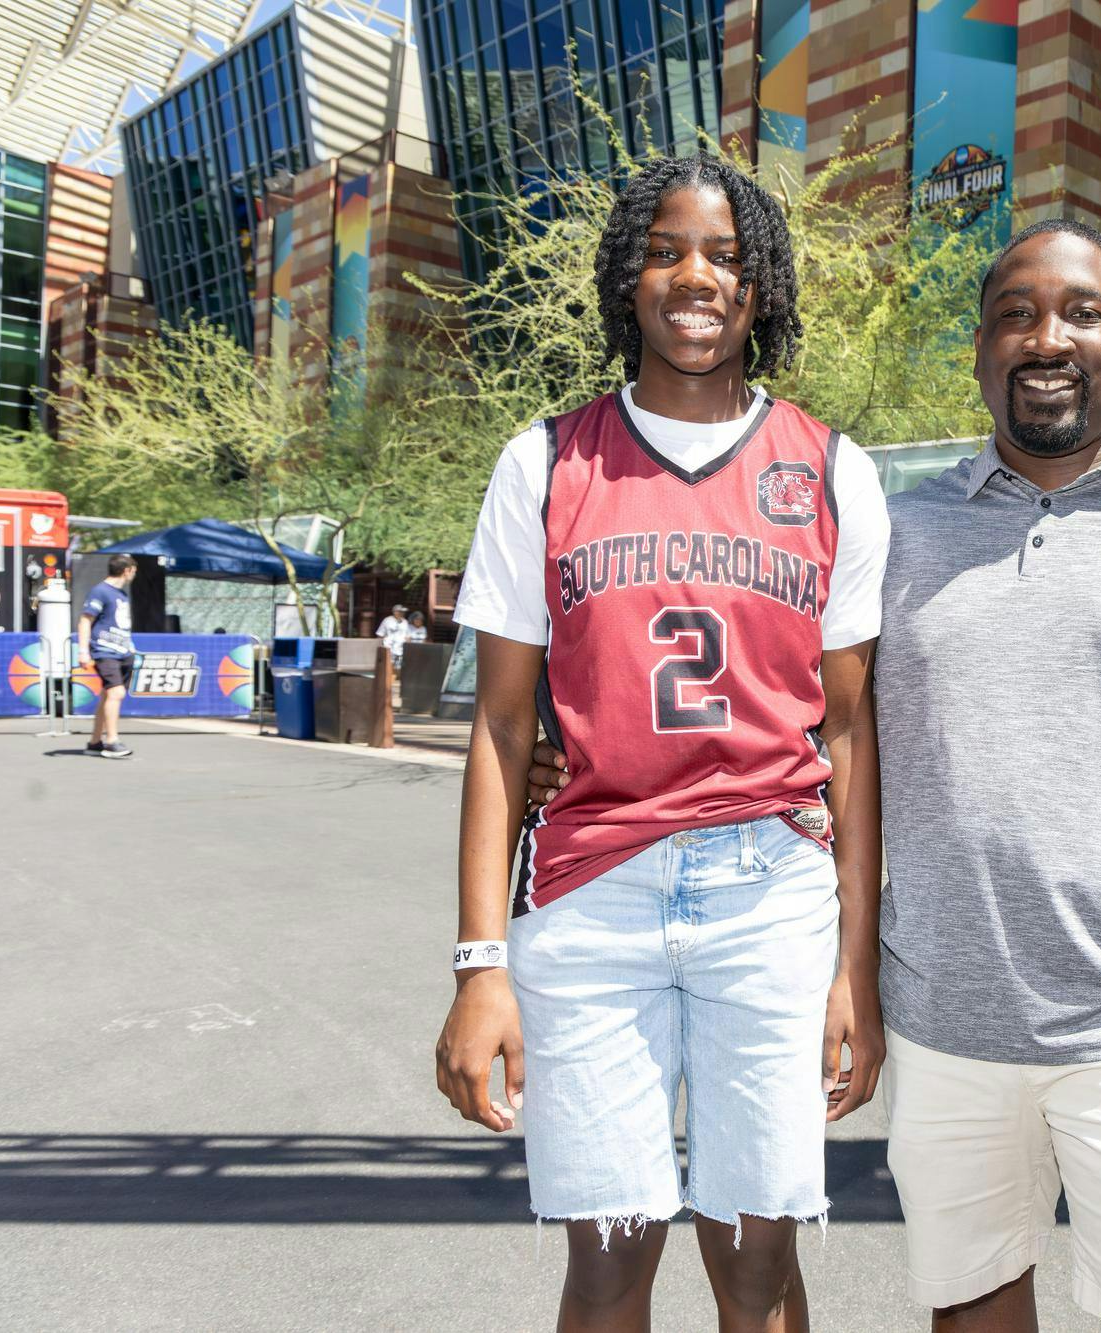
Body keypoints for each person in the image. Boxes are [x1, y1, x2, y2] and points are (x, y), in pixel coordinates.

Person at [530, 218, 1101, 1332]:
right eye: (1014, 315)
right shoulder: (887, 534)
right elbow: (785, 709)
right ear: (979, 352)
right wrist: (575, 745)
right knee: (971, 1316)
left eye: (1082, 313)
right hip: (943, 1030)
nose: (1045, 338)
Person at [435, 152, 890, 1332]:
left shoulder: (833, 469)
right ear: (625, 275)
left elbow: (846, 730)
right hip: (592, 892)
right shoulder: (544, 462)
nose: (697, 277)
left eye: (728, 257)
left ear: (763, 288)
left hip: (769, 891)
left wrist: (854, 964)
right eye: (667, 249)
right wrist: (479, 964)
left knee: (755, 1263)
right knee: (607, 1260)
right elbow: (497, 725)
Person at [78, 554, 138, 760]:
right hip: (104, 651)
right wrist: (83, 651)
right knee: (117, 692)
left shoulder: (121, 594)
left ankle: (95, 742)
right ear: (127, 570)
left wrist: (129, 646)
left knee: (108, 694)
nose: (134, 574)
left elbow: (120, 624)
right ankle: (112, 741)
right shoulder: (100, 591)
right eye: (134, 571)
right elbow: (86, 620)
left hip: (122, 651)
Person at [376, 603, 411, 670]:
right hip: (389, 649)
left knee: (399, 669)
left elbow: (408, 636)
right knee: (388, 667)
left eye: (403, 612)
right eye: (400, 611)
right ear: (395, 612)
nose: (402, 613)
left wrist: (407, 648)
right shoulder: (387, 620)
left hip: (401, 650)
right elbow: (380, 634)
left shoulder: (405, 622)